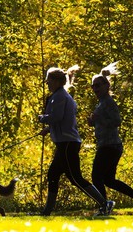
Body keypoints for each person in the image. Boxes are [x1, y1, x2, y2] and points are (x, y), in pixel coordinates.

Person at [38, 66, 114, 216]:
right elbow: (64, 120)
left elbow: (57, 117)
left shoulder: (59, 96)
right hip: (65, 143)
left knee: (75, 178)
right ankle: (46, 211)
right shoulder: (62, 96)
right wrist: (48, 129)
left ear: (57, 81)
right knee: (53, 174)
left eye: (49, 80)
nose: (46, 82)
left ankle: (105, 203)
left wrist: (42, 118)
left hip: (67, 143)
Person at [87, 62, 133, 215]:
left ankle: (104, 206)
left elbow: (116, 122)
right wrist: (93, 122)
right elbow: (102, 121)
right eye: (93, 86)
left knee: (96, 177)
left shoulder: (109, 102)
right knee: (109, 180)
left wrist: (98, 119)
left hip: (110, 145)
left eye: (98, 86)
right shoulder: (101, 103)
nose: (95, 89)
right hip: (109, 145)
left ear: (107, 86)